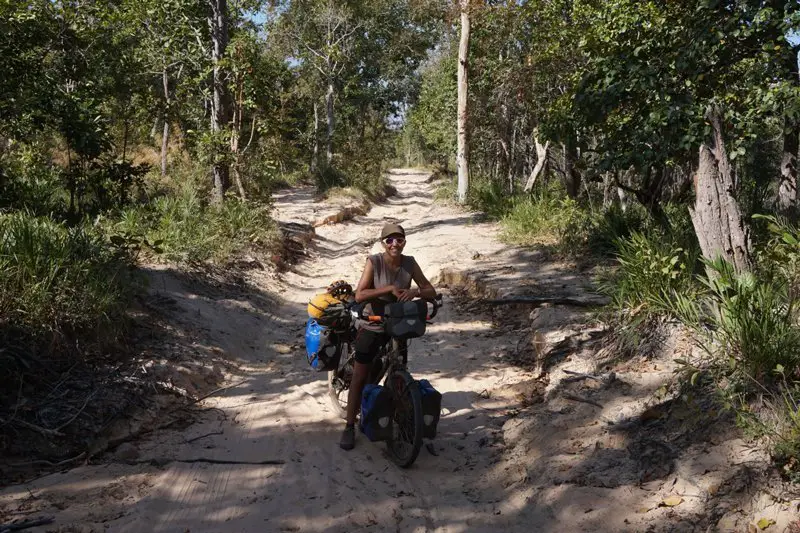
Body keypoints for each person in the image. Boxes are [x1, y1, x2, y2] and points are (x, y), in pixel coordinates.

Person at [339, 222, 437, 450]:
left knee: (399, 370)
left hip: (399, 323)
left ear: (404, 242)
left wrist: (416, 291)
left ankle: (394, 417)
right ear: (383, 243)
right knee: (360, 375)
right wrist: (389, 289)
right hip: (373, 323)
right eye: (389, 240)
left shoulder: (410, 263)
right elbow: (360, 293)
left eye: (399, 239)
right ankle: (349, 426)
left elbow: (430, 290)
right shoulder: (374, 262)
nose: (395, 244)